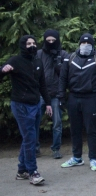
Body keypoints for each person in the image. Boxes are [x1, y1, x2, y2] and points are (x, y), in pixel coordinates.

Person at [58, 33, 96, 171]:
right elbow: (62, 78)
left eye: (88, 44)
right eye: (83, 43)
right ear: (79, 44)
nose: (85, 46)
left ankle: (93, 158)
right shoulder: (70, 58)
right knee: (75, 129)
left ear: (92, 45)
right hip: (73, 97)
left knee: (91, 130)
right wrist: (60, 96)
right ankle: (77, 157)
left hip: (91, 98)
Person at [1, 35, 52, 185]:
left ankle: (21, 170)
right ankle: (33, 172)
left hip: (36, 104)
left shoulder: (37, 61)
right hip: (21, 105)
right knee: (30, 138)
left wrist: (48, 103)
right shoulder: (15, 60)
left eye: (33, 43)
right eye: (28, 43)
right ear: (23, 45)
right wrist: (3, 70)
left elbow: (42, 84)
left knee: (31, 137)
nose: (31, 45)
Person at [36, 30, 68, 159]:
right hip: (40, 93)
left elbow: (65, 75)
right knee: (35, 122)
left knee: (57, 123)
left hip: (56, 94)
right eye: (48, 40)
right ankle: (35, 148)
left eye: (53, 41)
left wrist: (57, 62)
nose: (50, 43)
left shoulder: (63, 54)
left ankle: (56, 149)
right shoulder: (38, 54)